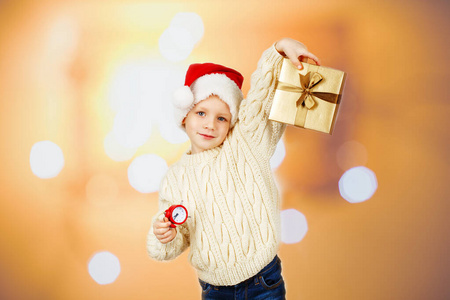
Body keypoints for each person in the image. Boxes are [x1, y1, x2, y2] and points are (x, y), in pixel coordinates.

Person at [147, 38, 320, 299]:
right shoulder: (175, 178)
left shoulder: (245, 147)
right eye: (201, 113)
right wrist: (163, 234)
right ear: (185, 115)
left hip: (263, 281)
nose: (210, 125)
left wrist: (279, 50)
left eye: (221, 118)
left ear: (232, 123)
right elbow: (177, 237)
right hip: (214, 290)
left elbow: (259, 101)